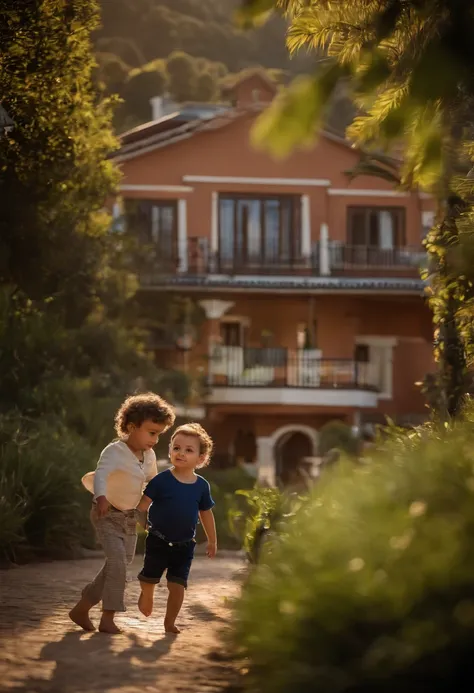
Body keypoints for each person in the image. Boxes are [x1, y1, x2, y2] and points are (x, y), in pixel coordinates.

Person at [69, 392, 176, 634]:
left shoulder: (148, 455)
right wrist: (101, 498)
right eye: (151, 433)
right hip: (107, 514)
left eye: (159, 434)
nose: (155, 439)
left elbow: (151, 482)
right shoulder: (114, 451)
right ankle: (108, 618)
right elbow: (102, 475)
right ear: (131, 426)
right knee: (118, 564)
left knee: (116, 566)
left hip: (129, 519)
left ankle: (81, 609)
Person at [136, 422, 216, 634]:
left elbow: (206, 513)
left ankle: (169, 622)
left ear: (201, 459)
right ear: (170, 449)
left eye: (188, 450)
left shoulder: (201, 486)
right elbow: (143, 505)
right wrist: (139, 522)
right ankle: (148, 593)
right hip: (158, 539)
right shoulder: (161, 481)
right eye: (176, 447)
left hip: (184, 545)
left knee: (177, 585)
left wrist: (212, 540)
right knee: (149, 576)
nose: (181, 453)